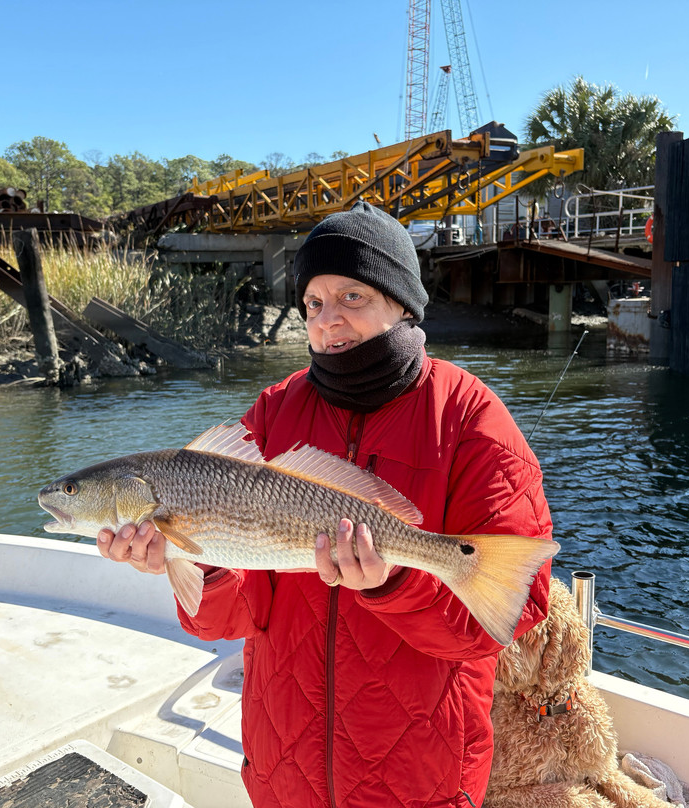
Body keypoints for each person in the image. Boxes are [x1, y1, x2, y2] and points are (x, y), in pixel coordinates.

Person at [97, 201, 554, 808]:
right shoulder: (272, 412)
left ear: (402, 303)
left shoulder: (470, 417)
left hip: (419, 778)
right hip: (284, 768)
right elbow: (233, 618)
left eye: (353, 297)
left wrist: (393, 586)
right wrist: (189, 559)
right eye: (313, 303)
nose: (328, 321)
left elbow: (512, 613)